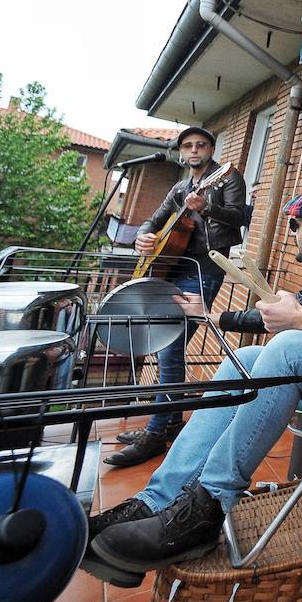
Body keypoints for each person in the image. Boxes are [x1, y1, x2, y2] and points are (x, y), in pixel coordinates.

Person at [83, 185, 302, 585]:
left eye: (296, 224)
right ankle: (157, 501)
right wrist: (212, 314)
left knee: (290, 345)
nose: (291, 232)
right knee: (247, 359)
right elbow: (275, 317)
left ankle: (209, 504)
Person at [107, 125, 248, 467]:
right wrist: (143, 237)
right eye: (188, 145)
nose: (195, 150)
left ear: (211, 149)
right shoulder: (179, 187)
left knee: (170, 345)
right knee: (169, 347)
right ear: (181, 152)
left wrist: (206, 208)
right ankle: (169, 421)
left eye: (201, 144)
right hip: (172, 269)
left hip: (205, 270)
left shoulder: (227, 178)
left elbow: (240, 217)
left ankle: (155, 433)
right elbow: (151, 223)